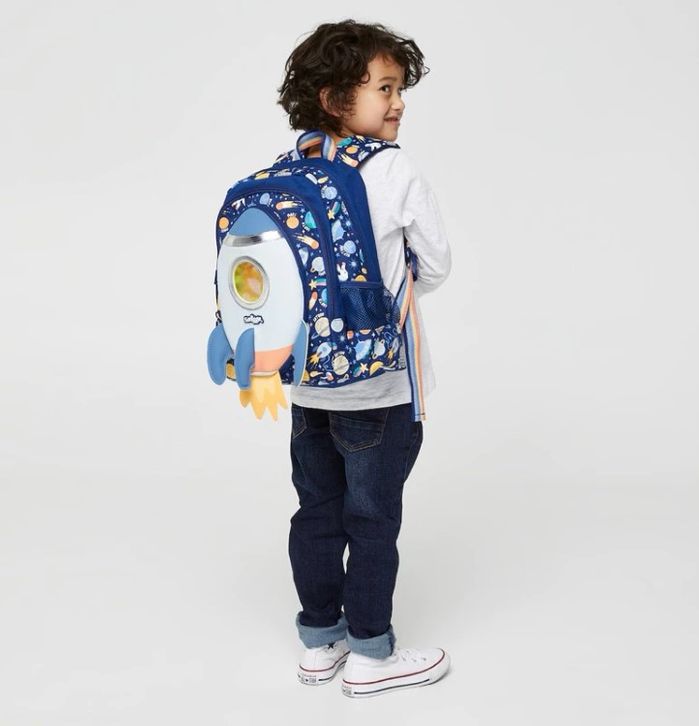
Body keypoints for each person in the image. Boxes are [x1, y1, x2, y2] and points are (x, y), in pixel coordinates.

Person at [276, 19, 453, 697]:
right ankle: (373, 655)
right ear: (334, 98)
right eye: (385, 88)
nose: (399, 102)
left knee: (315, 511)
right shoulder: (394, 168)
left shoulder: (292, 168)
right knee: (373, 519)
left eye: (400, 88)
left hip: (306, 383)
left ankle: (320, 641)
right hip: (379, 387)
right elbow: (435, 264)